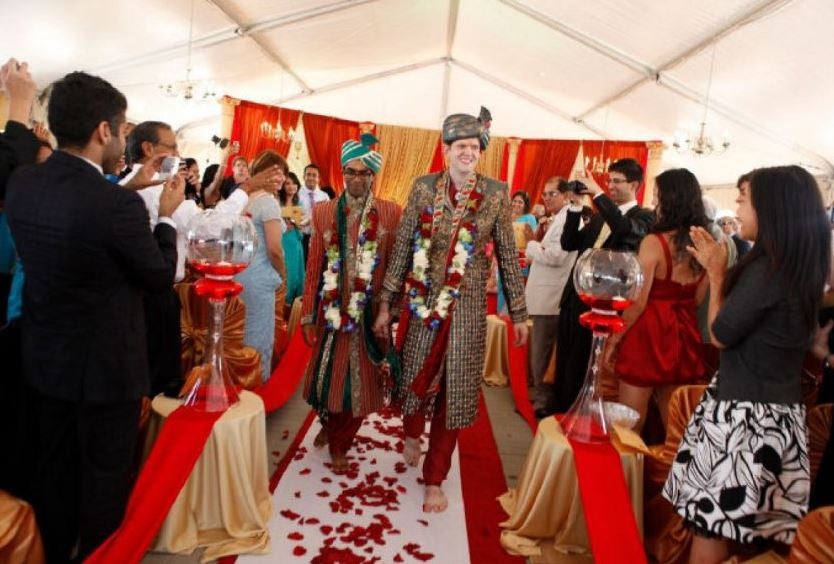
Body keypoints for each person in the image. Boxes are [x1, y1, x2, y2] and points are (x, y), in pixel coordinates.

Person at [5, 71, 183, 562]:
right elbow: (157, 277)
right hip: (107, 375)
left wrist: (128, 187)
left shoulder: (24, 184)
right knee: (104, 485)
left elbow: (80, 219)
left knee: (54, 475)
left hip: (43, 361)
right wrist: (165, 217)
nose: (124, 138)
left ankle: (57, 550)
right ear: (104, 130)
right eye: (124, 130)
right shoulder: (117, 207)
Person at [663, 165, 830, 563]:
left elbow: (721, 332)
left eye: (745, 197)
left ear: (771, 209)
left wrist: (717, 273)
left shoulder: (769, 270)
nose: (737, 204)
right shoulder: (796, 265)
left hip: (746, 418)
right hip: (772, 412)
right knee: (734, 525)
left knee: (711, 522)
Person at [373, 108, 528, 513]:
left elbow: (509, 258)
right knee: (412, 381)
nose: (468, 153)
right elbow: (405, 244)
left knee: (454, 394)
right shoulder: (424, 188)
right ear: (446, 150)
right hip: (422, 304)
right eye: (460, 146)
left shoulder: (495, 193)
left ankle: (435, 477)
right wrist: (387, 302)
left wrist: (521, 314)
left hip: (470, 311)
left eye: (474, 147)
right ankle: (410, 433)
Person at [300, 134, 401, 471]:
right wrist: (307, 315)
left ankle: (341, 441)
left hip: (370, 317)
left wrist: (389, 309)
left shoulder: (389, 213)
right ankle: (330, 425)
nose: (357, 179)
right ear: (342, 173)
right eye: (351, 172)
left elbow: (395, 266)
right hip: (332, 312)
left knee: (360, 386)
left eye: (364, 173)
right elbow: (314, 263)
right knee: (325, 380)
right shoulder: (324, 211)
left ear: (374, 176)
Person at [545, 159, 654, 415]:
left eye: (617, 181)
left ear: (635, 185)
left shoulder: (643, 216)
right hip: (575, 296)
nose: (611, 186)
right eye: (609, 181)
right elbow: (570, 243)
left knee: (584, 362)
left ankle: (576, 413)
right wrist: (575, 207)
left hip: (603, 303)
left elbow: (626, 230)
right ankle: (558, 410)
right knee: (566, 358)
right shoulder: (600, 217)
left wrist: (599, 194)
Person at [605, 169, 709, 431]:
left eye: (656, 195)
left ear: (669, 199)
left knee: (629, 423)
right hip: (683, 332)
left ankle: (627, 472)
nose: (653, 201)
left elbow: (638, 301)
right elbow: (697, 299)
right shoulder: (707, 242)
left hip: (648, 333)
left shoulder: (655, 242)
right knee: (675, 427)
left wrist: (614, 339)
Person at [524, 178, 575, 418]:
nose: (546, 198)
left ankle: (543, 403)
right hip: (545, 294)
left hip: (551, 297)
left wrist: (531, 245)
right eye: (544, 194)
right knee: (539, 351)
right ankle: (540, 398)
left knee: (542, 354)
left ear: (565, 195)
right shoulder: (558, 218)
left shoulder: (568, 219)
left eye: (551, 193)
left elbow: (556, 256)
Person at [236, 150, 288, 382]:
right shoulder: (268, 203)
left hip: (240, 274)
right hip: (259, 279)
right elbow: (275, 250)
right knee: (258, 337)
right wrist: (284, 275)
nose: (281, 180)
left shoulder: (243, 198)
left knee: (241, 334)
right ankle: (256, 391)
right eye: (275, 174)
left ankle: (240, 386)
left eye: (283, 175)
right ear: (262, 173)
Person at [278, 171, 307, 306]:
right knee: (286, 275)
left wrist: (300, 225)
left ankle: (293, 310)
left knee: (296, 276)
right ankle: (283, 304)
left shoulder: (298, 204)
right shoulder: (277, 203)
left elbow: (301, 228)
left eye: (294, 183)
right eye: (288, 183)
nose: (291, 186)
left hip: (296, 244)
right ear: (283, 186)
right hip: (283, 243)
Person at [299, 163, 330, 259]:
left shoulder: (324, 196)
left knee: (317, 266)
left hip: (318, 238)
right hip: (301, 237)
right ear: (304, 176)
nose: (311, 178)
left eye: (314, 175)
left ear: (318, 178)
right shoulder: (296, 194)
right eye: (308, 174)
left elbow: (328, 217)